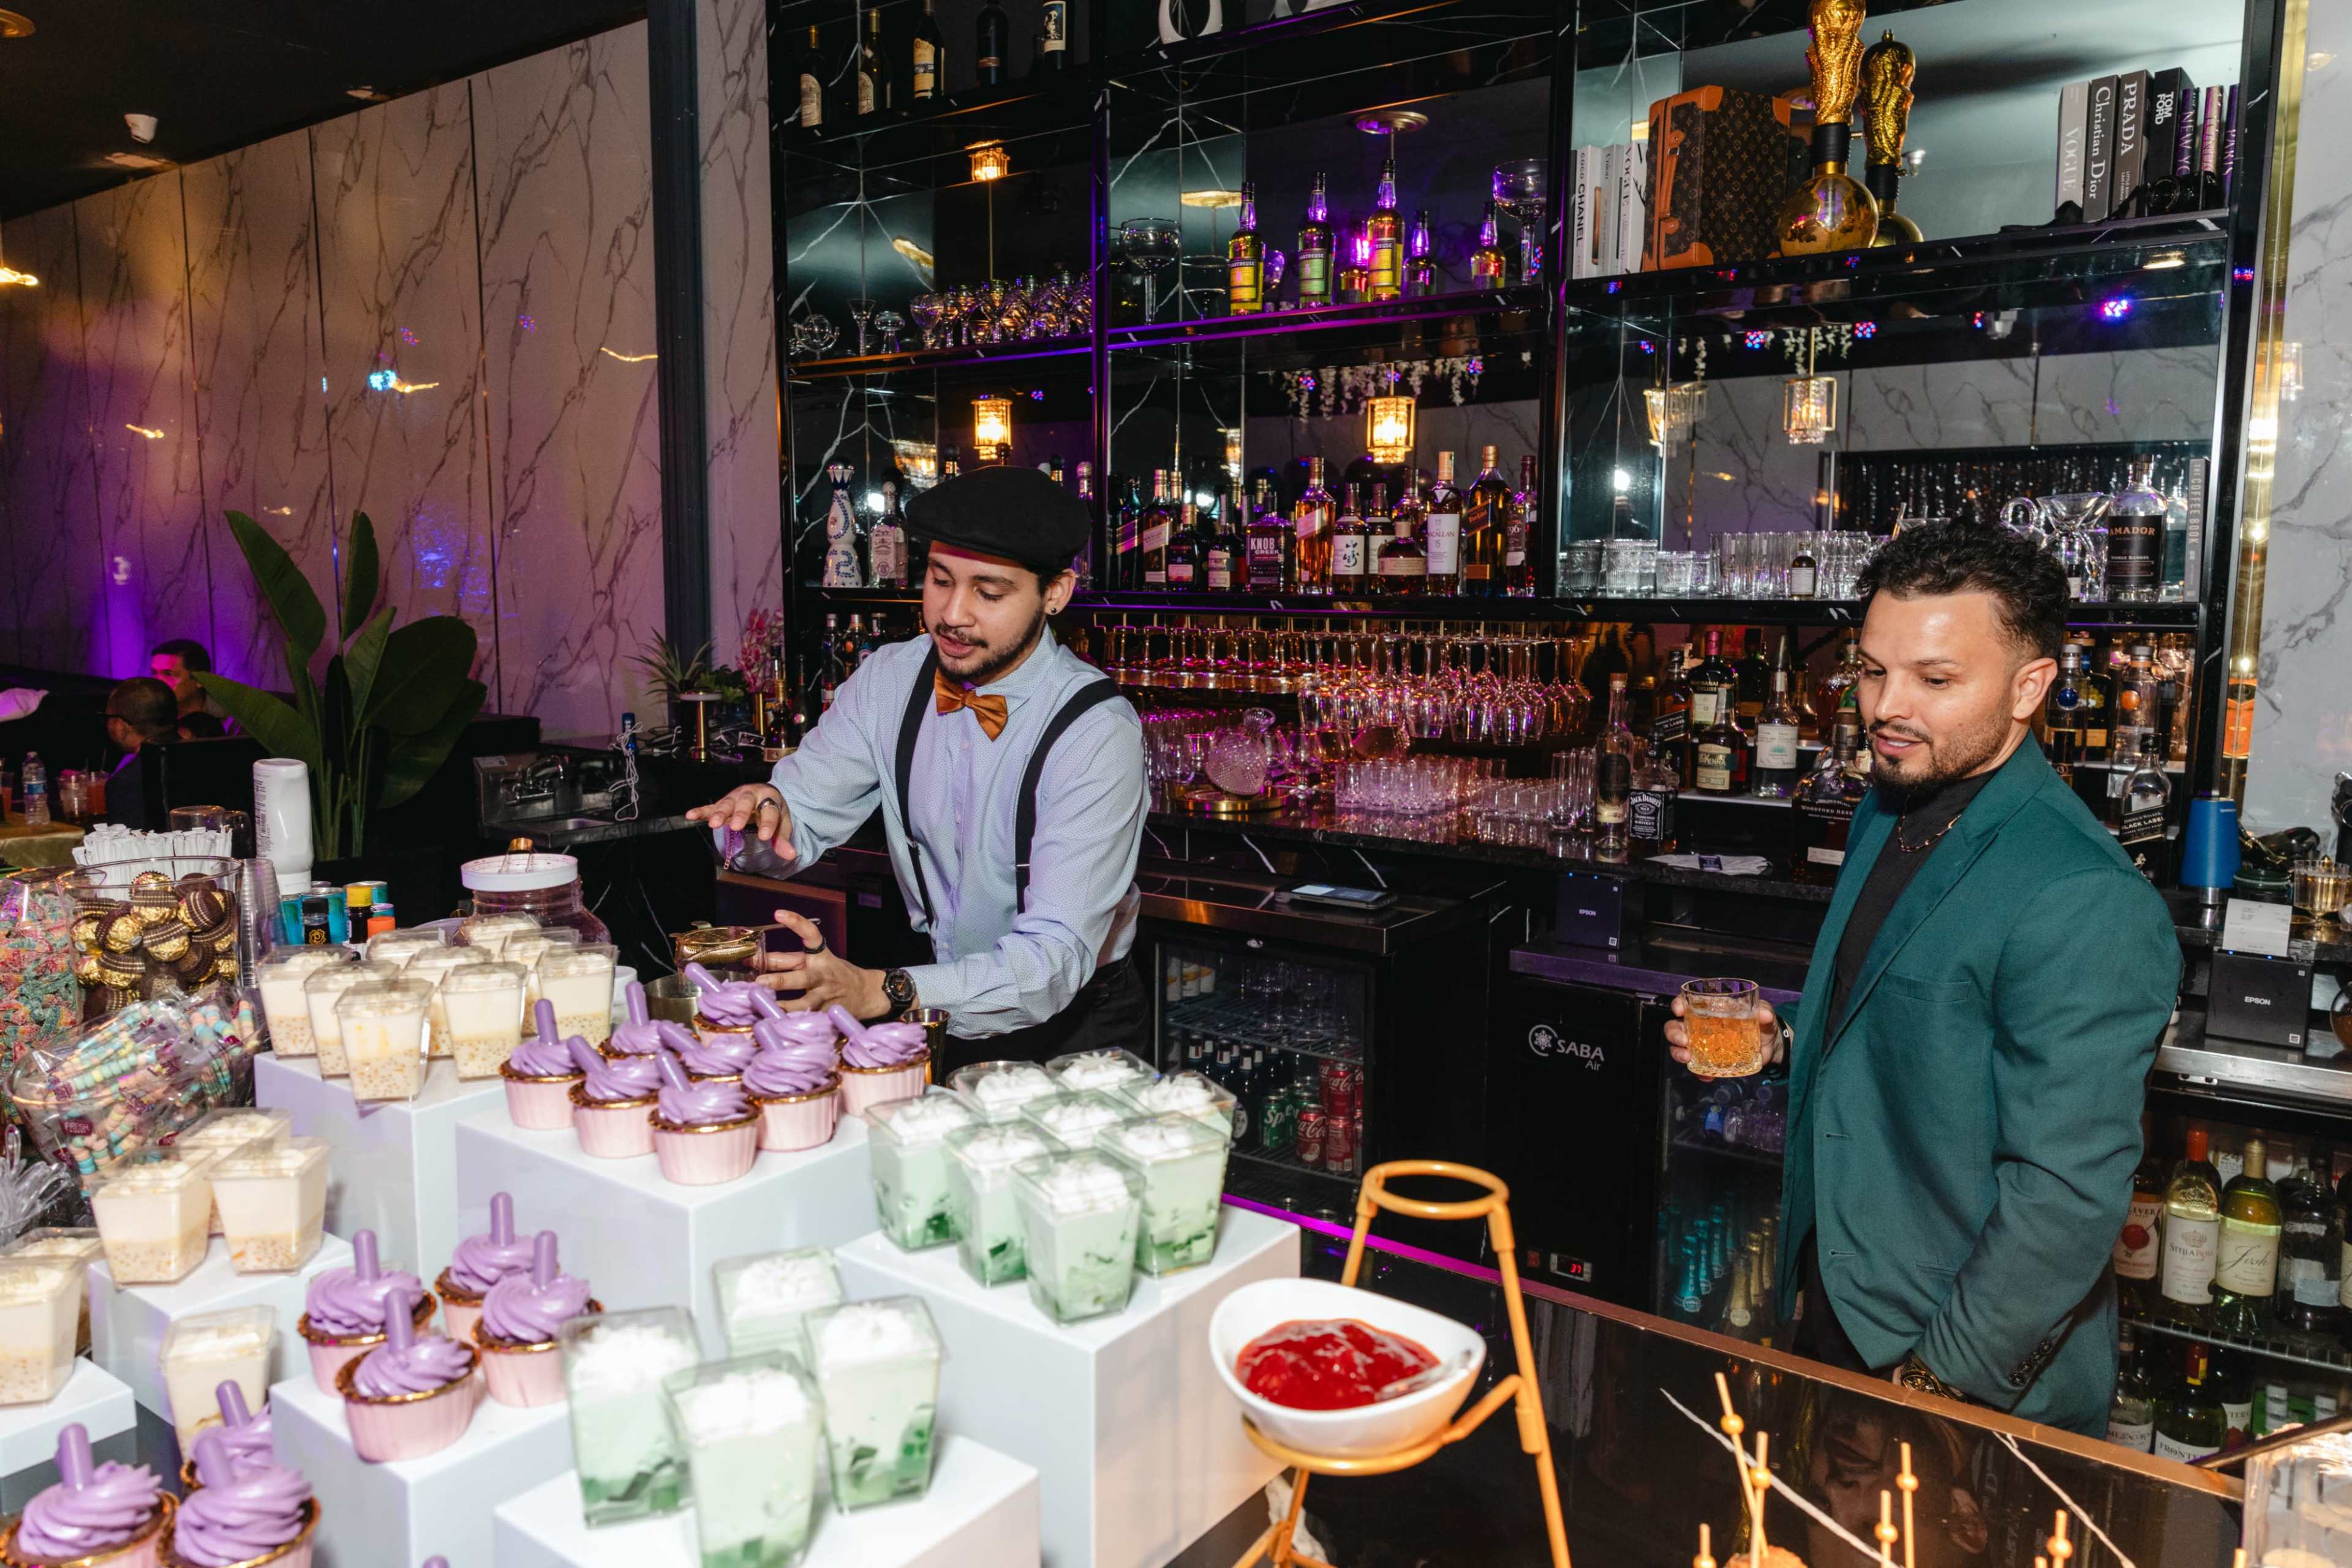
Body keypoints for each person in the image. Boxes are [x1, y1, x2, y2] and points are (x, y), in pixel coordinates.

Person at [1667, 523, 2177, 1436]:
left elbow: (2066, 1195)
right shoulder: (1891, 803)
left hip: (1954, 1366)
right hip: (1843, 1299)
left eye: (1935, 680)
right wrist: (1785, 1041)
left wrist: (1934, 1385)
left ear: (2029, 688)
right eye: (1872, 671)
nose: (1887, 707)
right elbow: (1899, 1012)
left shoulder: (2084, 895)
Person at [688, 466, 1147, 1069]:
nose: (952, 614)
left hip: (1075, 1024)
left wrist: (886, 989)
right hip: (933, 999)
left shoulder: (1095, 731)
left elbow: (1052, 961)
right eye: (939, 580)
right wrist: (759, 819)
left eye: (988, 593)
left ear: (1055, 593)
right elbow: (798, 818)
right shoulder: (891, 679)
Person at [104, 676, 178, 832]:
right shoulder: (209, 758)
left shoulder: (126, 783)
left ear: (120, 725)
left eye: (109, 718)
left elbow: (127, 844)